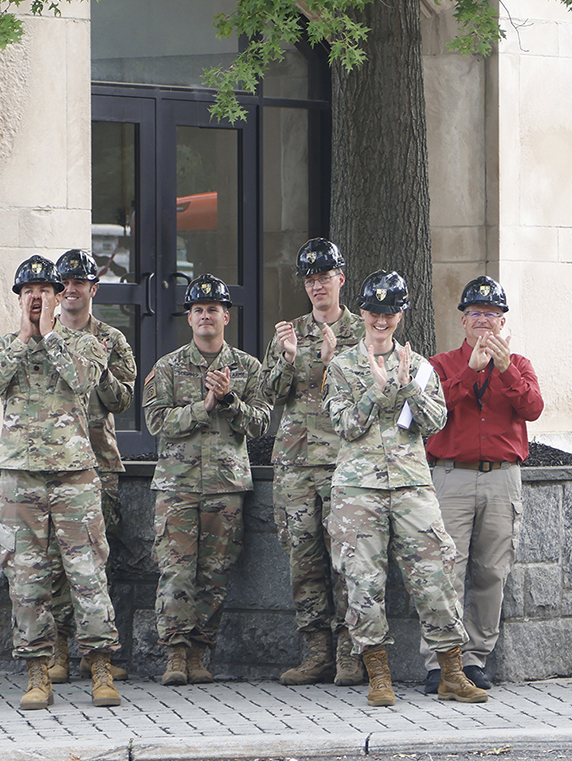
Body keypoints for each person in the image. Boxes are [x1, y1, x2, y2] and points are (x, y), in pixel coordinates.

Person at [322, 270, 489, 707]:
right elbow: (345, 427)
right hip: (358, 490)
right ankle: (378, 675)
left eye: (390, 313)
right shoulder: (341, 367)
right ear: (362, 312)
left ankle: (451, 672)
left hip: (412, 485)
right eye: (375, 312)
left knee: (435, 575)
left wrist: (409, 387)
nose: (382, 320)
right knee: (362, 581)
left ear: (401, 315)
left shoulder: (420, 366)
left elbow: (435, 422)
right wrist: (376, 394)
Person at [0, 254, 122, 710]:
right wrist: (24, 338)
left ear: (59, 297)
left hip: (73, 475)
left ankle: (100, 667)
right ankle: (37, 673)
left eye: (44, 290)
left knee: (87, 572)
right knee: (26, 578)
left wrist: (50, 335)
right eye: (28, 292)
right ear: (19, 299)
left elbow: (84, 379)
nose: (35, 298)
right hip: (20, 479)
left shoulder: (86, 343)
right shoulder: (4, 346)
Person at [141, 275, 271, 684]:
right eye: (198, 310)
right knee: (176, 572)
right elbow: (157, 422)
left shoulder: (248, 368)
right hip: (177, 487)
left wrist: (230, 401)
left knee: (215, 573)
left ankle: (200, 653)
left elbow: (261, 424)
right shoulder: (167, 367)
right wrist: (205, 406)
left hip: (225, 487)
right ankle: (175, 655)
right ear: (189, 318)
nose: (205, 316)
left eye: (213, 309)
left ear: (226, 317)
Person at [418, 275, 542, 695]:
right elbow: (431, 411)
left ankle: (474, 659)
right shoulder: (439, 364)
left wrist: (505, 370)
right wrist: (470, 372)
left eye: (491, 314)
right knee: (444, 571)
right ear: (463, 321)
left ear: (503, 322)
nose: (483, 321)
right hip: (451, 474)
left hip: (501, 478)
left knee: (491, 572)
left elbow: (533, 408)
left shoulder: (519, 364)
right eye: (475, 313)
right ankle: (441, 660)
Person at [255, 238, 368, 686]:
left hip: (345, 461)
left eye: (324, 278)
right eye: (310, 280)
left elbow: (371, 390)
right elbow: (268, 394)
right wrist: (287, 359)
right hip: (296, 463)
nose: (317, 286)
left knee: (347, 558)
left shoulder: (361, 331)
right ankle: (317, 651)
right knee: (303, 560)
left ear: (341, 279)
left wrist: (332, 361)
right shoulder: (290, 332)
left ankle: (349, 652)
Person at [44, 248, 137, 682]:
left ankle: (93, 650)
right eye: (64, 283)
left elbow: (123, 400)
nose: (71, 290)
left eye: (79, 282)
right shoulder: (42, 334)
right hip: (53, 464)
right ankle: (58, 650)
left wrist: (97, 369)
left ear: (93, 289)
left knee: (96, 561)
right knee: (54, 563)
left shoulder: (112, 340)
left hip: (99, 462)